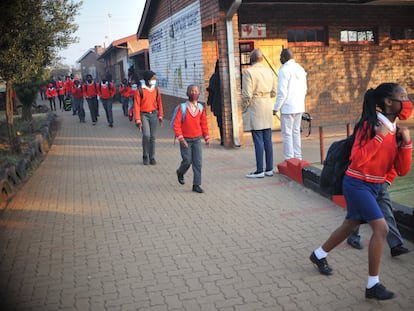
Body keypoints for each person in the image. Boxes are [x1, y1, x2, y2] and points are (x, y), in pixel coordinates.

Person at [309, 83, 412, 300]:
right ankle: (372, 285)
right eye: (402, 96)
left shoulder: (396, 131)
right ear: (388, 102)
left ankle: (318, 255)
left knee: (348, 227)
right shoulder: (370, 125)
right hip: (356, 184)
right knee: (381, 229)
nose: (407, 101)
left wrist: (406, 145)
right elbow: (357, 158)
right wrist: (379, 137)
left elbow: (402, 170)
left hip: (375, 186)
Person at [346, 167, 410, 257]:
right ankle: (352, 237)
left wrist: (387, 181)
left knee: (387, 212)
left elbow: (398, 165)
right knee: (358, 211)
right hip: (363, 181)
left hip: (381, 182)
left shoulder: (395, 152)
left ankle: (395, 245)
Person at [242, 49, 277, 178]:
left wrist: (244, 108)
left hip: (255, 105)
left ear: (251, 59)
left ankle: (259, 170)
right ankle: (269, 169)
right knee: (268, 139)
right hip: (267, 104)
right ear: (262, 58)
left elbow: (246, 95)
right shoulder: (269, 72)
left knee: (257, 139)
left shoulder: (248, 72)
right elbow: (274, 91)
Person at [173, 84, 210, 193]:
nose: (194, 93)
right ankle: (180, 172)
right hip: (185, 139)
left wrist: (206, 136)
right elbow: (176, 124)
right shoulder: (182, 108)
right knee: (187, 161)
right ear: (187, 93)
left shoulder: (200, 108)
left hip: (197, 139)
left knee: (198, 162)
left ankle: (196, 184)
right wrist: (181, 138)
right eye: (192, 91)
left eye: (196, 91)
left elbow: (203, 123)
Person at [273, 48, 307, 161]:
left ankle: (289, 159)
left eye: (281, 57)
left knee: (287, 134)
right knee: (296, 132)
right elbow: (305, 89)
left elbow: (282, 92)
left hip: (288, 107)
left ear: (284, 58)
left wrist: (276, 108)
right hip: (299, 106)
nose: (280, 59)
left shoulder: (284, 70)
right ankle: (298, 157)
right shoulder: (300, 69)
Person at [134, 70, 164, 165]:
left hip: (154, 114)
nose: (154, 80)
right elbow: (136, 105)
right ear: (147, 79)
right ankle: (145, 155)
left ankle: (152, 157)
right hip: (144, 115)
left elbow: (159, 103)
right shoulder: (139, 90)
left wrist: (160, 115)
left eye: (155, 79)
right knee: (146, 135)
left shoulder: (156, 90)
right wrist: (138, 119)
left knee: (153, 137)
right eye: (153, 79)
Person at [207, 60, 224, 146]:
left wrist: (209, 101)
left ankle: (223, 139)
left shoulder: (214, 77)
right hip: (227, 105)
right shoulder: (226, 76)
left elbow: (211, 92)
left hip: (217, 104)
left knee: (220, 123)